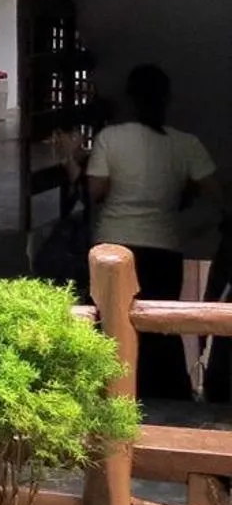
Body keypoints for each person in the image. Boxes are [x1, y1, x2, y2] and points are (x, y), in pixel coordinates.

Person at [87, 64, 220, 402]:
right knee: (160, 326)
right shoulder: (186, 144)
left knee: (109, 324)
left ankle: (109, 397)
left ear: (129, 99)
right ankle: (164, 399)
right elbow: (217, 193)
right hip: (164, 247)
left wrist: (75, 163)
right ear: (167, 99)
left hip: (112, 244)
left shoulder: (110, 139)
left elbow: (96, 191)